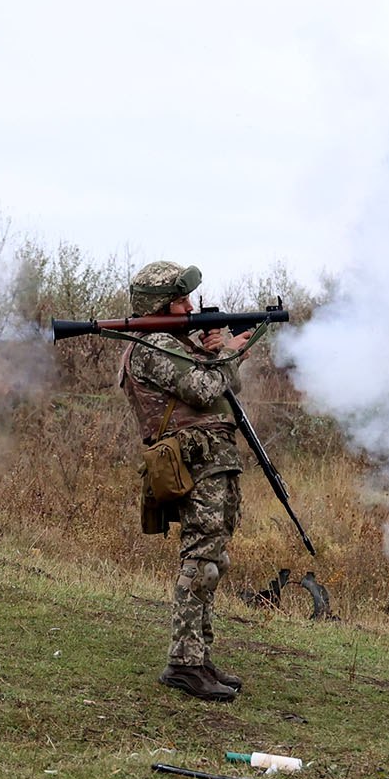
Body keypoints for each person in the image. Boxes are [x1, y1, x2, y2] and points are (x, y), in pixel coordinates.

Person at [119, 261, 259, 702]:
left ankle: (198, 655)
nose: (189, 307)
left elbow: (217, 385)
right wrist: (228, 352)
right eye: (180, 300)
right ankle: (183, 663)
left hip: (209, 462)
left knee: (212, 561)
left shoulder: (172, 344)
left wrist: (217, 351)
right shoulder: (154, 344)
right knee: (199, 562)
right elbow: (203, 390)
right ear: (160, 305)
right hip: (194, 462)